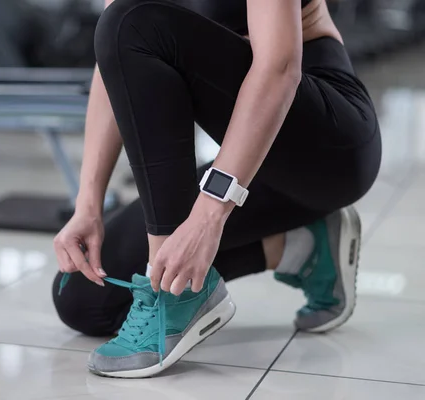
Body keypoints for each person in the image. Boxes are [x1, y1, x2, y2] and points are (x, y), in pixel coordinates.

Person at [52, 0, 381, 378]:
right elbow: (112, 61)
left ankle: (177, 298)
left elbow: (279, 68)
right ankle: (304, 246)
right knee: (84, 298)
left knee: (134, 22)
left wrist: (209, 213)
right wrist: (88, 204)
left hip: (324, 144)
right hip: (248, 163)